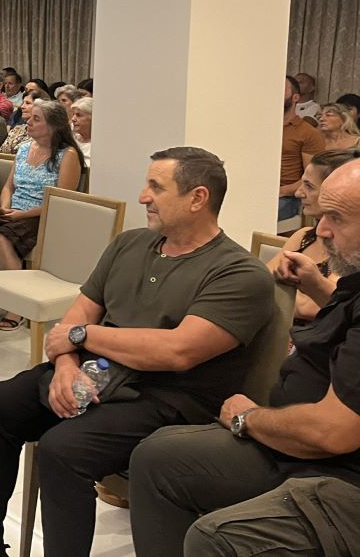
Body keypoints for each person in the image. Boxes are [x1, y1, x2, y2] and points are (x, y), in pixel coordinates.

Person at [0, 147, 275, 557]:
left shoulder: (239, 272)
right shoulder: (131, 244)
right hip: (100, 372)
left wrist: (80, 337)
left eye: (156, 187)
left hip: (169, 397)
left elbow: (176, 352)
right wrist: (66, 367)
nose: (143, 196)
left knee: (62, 450)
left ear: (198, 198)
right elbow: (75, 320)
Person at [127, 156, 360, 557]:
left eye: (336, 218)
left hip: (337, 471)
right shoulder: (352, 281)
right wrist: (320, 288)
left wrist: (248, 418)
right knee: (156, 456)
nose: (321, 230)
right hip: (300, 445)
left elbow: (332, 432)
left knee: (215, 537)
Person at [0, 99, 84, 330]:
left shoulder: (67, 155)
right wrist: (6, 206)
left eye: (36, 119)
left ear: (53, 126)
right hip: (14, 212)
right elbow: (9, 187)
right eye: (30, 118)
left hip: (44, 215)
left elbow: (61, 201)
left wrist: (22, 215)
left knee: (2, 236)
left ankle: (16, 305)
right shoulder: (23, 149)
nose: (28, 122)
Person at [264, 148, 356, 322]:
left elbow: (310, 309)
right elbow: (259, 283)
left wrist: (278, 292)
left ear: (334, 190)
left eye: (309, 186)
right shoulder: (303, 236)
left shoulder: (351, 251)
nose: (298, 193)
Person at [280, 75, 326, 222]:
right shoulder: (262, 128)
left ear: (295, 97)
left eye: (282, 89)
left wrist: (281, 191)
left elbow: (312, 177)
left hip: (288, 197)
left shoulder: (308, 133)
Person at [71, 96, 93, 163]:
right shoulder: (70, 138)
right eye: (73, 114)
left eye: (79, 115)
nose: (73, 119)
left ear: (92, 118)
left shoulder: (101, 144)